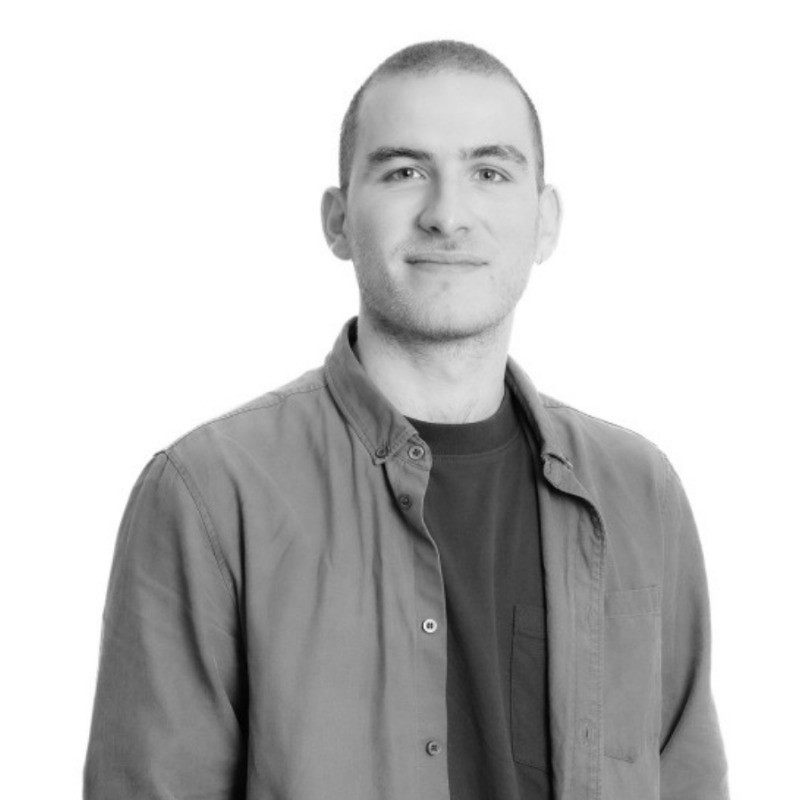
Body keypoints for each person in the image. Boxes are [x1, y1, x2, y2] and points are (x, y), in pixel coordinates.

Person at [83, 39, 729, 800]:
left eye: (490, 172)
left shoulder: (639, 491)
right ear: (337, 221)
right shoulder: (210, 493)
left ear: (545, 221)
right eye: (404, 172)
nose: (447, 215)